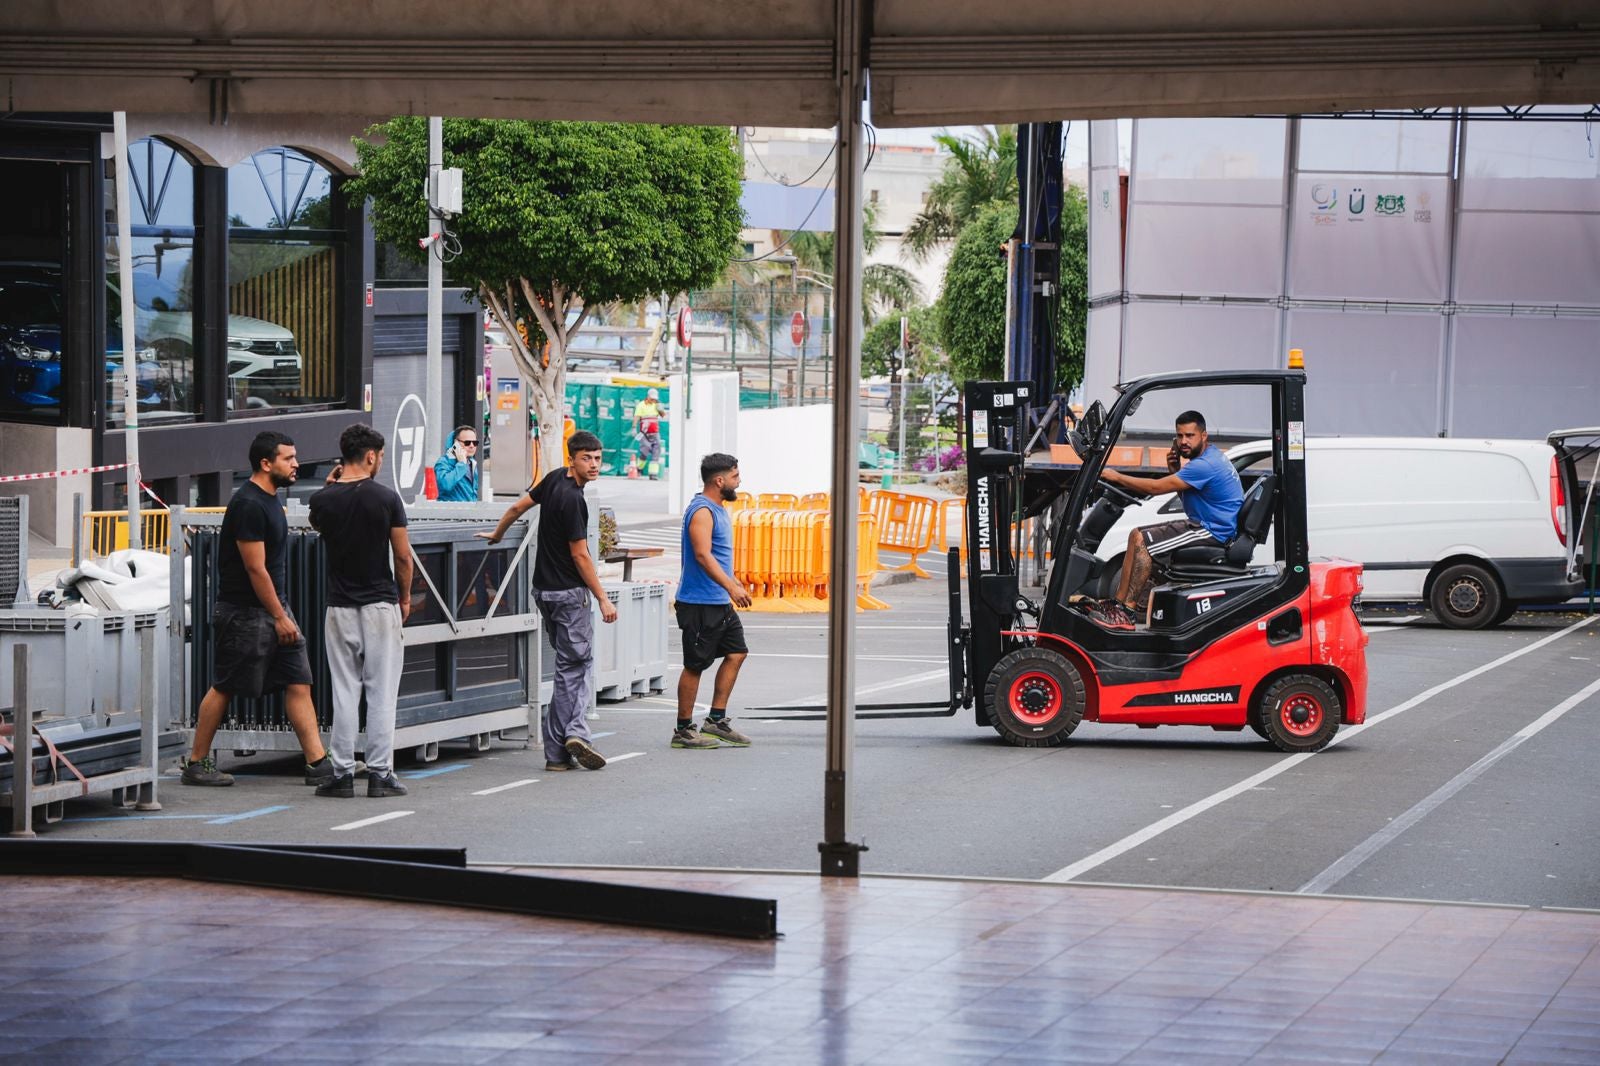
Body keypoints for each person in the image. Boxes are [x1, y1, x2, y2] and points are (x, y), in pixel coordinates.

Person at [182, 431, 335, 787]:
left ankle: (318, 764)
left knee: (299, 681)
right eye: (288, 458)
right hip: (245, 614)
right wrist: (279, 616)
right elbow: (255, 569)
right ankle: (196, 762)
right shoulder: (249, 504)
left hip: (274, 608)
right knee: (225, 686)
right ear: (266, 464)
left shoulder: (269, 499)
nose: (296, 463)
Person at [480, 430, 617, 772]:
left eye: (598, 458)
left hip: (543, 592)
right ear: (572, 458)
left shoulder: (553, 479)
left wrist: (497, 534)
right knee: (575, 666)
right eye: (587, 458)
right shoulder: (574, 499)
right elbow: (581, 554)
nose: (594, 464)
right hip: (570, 595)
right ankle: (575, 734)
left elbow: (517, 507)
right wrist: (602, 598)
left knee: (568, 666)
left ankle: (558, 755)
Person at [308, 424, 414, 798]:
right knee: (382, 692)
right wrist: (404, 597)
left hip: (339, 606)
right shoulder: (386, 499)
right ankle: (380, 773)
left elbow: (315, 519)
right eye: (380, 456)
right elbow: (402, 556)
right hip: (379, 605)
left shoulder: (323, 501)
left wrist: (329, 484)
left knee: (344, 691)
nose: (380, 461)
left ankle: (341, 773)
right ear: (371, 455)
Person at [1089, 410, 1244, 629]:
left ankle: (1128, 611)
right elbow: (1189, 496)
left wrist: (1116, 477)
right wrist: (1175, 469)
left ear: (1204, 436)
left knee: (1143, 540)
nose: (1183, 442)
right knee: (1135, 535)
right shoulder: (1208, 457)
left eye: (1190, 436)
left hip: (1212, 531)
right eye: (1180, 436)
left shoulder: (1204, 465)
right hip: (1207, 525)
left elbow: (1156, 487)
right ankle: (1118, 605)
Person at [671, 453, 753, 749]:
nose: (738, 480)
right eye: (734, 476)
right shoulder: (702, 511)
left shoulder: (718, 509)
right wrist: (731, 586)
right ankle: (683, 729)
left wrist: (733, 582)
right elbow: (703, 556)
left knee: (736, 653)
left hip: (718, 601)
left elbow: (716, 556)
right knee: (696, 665)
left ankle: (716, 720)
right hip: (699, 602)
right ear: (719, 481)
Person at [433, 425, 480, 502]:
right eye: (467, 442)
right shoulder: (444, 462)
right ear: (456, 443)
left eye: (475, 443)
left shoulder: (472, 463)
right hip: (450, 512)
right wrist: (461, 464)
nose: (472, 446)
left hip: (469, 512)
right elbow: (445, 485)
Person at [633, 388, 665, 479]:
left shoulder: (657, 404)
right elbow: (636, 417)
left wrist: (660, 408)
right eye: (652, 398)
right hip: (644, 434)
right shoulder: (641, 405)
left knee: (656, 452)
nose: (653, 400)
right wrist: (634, 427)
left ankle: (653, 474)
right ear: (648, 397)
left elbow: (663, 415)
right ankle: (639, 468)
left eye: (655, 399)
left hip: (655, 433)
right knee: (644, 451)